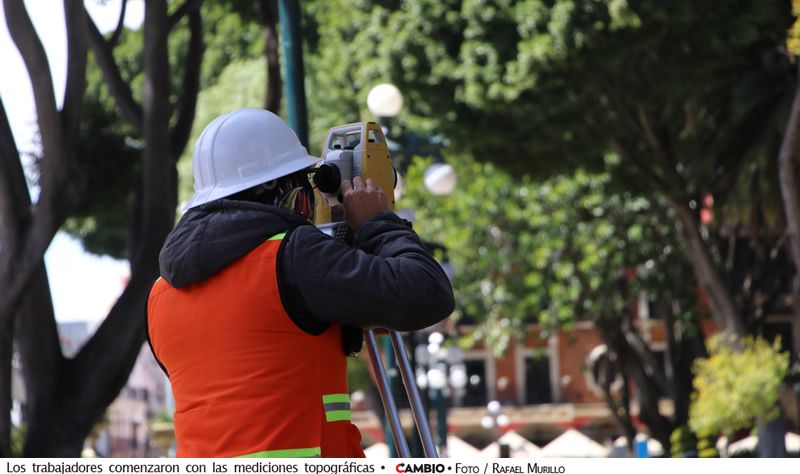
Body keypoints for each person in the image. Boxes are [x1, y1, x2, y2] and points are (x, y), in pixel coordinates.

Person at [146, 108, 455, 458]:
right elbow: (428, 293)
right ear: (280, 188)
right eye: (305, 182)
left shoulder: (160, 295)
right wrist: (378, 223)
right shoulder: (293, 258)